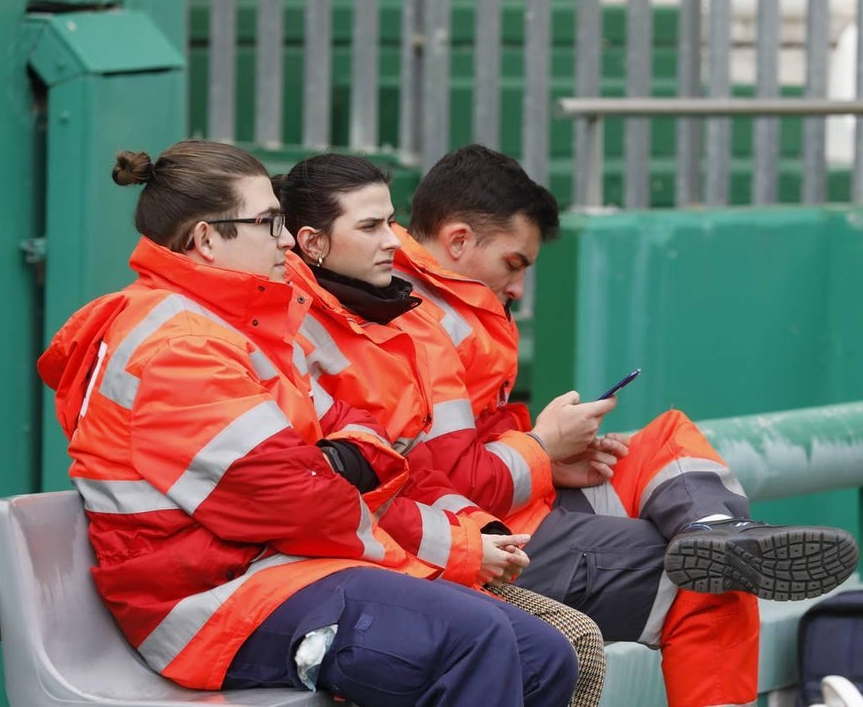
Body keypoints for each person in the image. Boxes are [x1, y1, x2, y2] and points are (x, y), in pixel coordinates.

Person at [307, 144, 857, 707]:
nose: (518, 287)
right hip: (480, 536)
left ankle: (715, 531)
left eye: (389, 224)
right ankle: (712, 549)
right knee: (706, 586)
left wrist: (551, 458)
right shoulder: (410, 318)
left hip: (504, 508)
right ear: (458, 240)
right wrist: (543, 447)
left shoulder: (417, 305)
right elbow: (445, 483)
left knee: (664, 439)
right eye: (513, 264)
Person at [36, 140, 579, 707]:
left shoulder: (241, 327)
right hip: (214, 600)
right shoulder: (179, 347)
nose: (285, 237)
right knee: (480, 640)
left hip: (287, 567)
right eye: (267, 221)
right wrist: (345, 478)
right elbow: (294, 497)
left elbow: (355, 435)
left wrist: (333, 461)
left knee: (542, 654)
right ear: (205, 239)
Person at [275, 153, 608, 707]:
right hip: (322, 570)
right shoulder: (296, 328)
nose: (392, 239)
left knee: (562, 646)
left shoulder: (389, 319)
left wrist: (478, 530)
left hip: (402, 545)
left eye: (390, 220)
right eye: (370, 226)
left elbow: (404, 472)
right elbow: (330, 496)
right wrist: (536, 458)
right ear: (312, 243)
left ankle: (712, 520)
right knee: (543, 644)